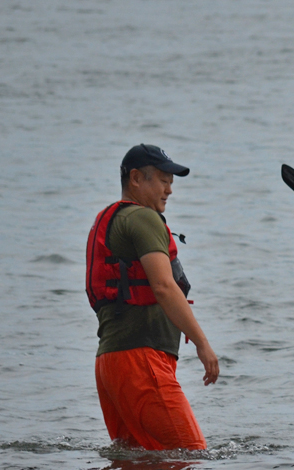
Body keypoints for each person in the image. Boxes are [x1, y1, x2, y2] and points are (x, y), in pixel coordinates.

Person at [86, 144, 219, 451]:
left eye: (171, 182)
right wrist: (202, 344)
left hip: (110, 362)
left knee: (136, 468)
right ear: (136, 178)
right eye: (162, 179)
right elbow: (163, 286)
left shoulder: (109, 220)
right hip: (140, 361)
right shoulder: (143, 219)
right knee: (189, 456)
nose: (169, 190)